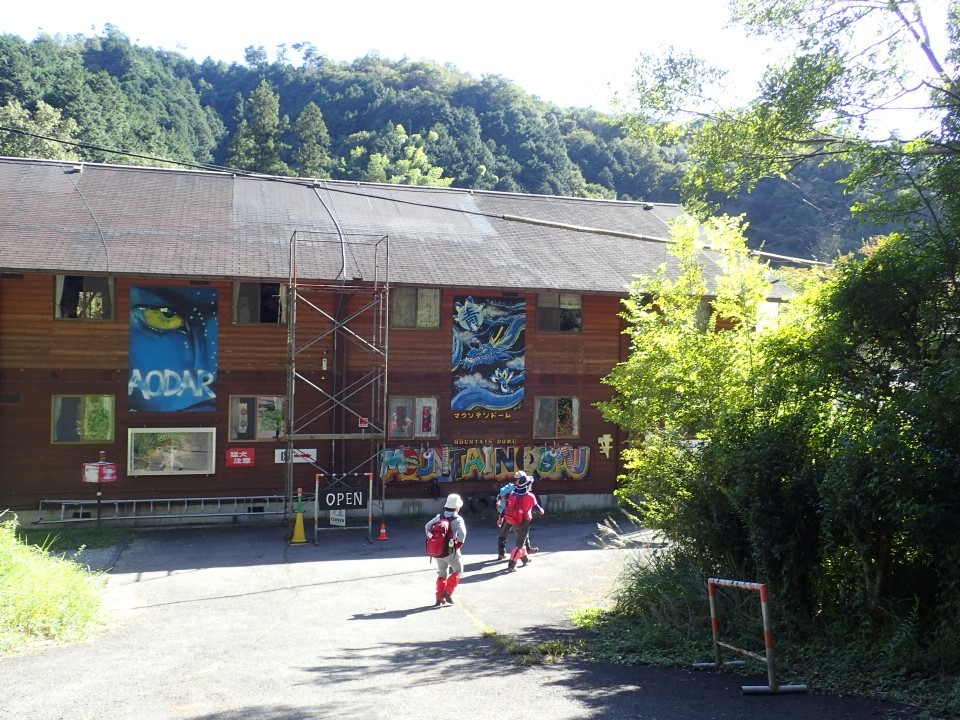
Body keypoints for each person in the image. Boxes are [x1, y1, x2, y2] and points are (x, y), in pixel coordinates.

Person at [424, 493, 467, 606]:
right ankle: (447, 593)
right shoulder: (458, 519)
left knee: (442, 573)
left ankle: (439, 598)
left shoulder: (439, 517)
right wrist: (458, 544)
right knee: (458, 570)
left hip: (438, 552)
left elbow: (427, 526)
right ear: (457, 507)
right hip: (450, 551)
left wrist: (432, 538)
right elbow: (462, 534)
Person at [501, 472, 544, 571]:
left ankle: (525, 559)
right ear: (527, 486)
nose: (531, 485)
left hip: (514, 520)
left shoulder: (513, 493)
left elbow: (508, 506)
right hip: (524, 522)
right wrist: (542, 511)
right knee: (519, 544)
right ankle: (512, 564)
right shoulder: (530, 496)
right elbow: (538, 509)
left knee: (522, 541)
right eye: (530, 484)